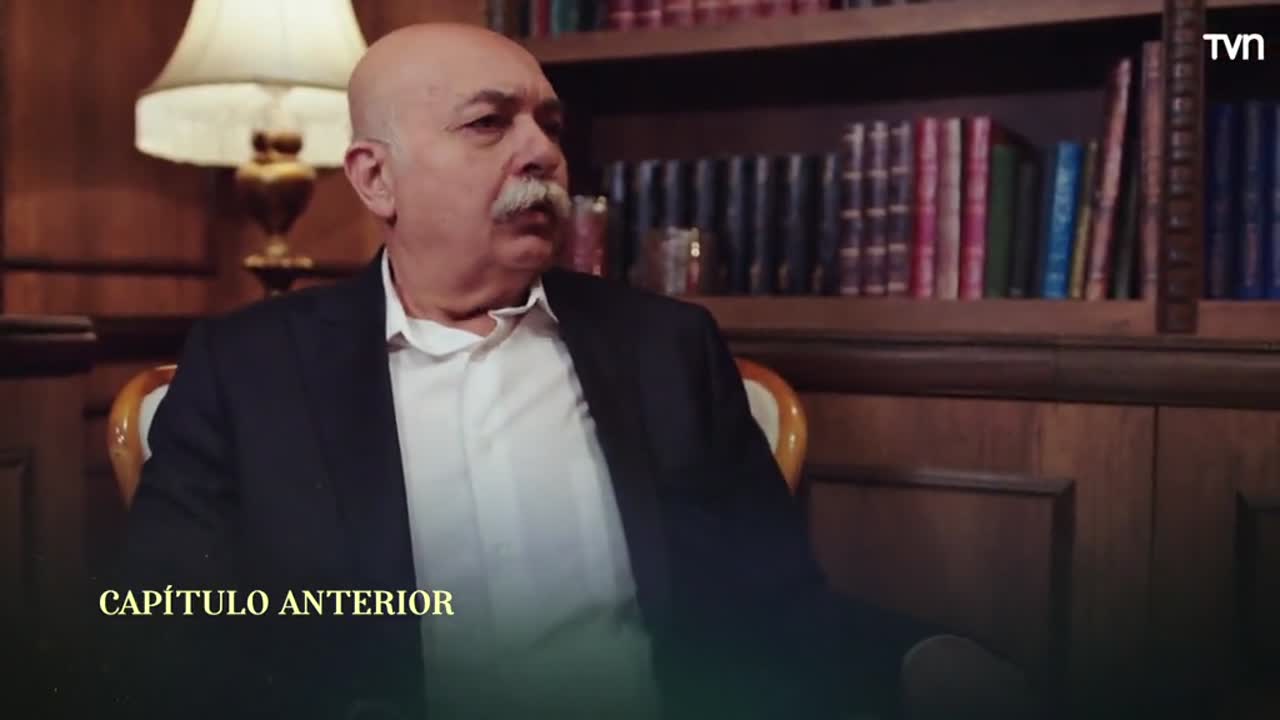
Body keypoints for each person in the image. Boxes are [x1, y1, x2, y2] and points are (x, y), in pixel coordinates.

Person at [112, 22, 1040, 720]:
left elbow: (776, 607)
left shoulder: (667, 350)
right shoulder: (249, 369)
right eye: (489, 123)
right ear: (374, 178)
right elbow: (163, 626)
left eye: (548, 125)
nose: (543, 153)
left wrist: (925, 657)